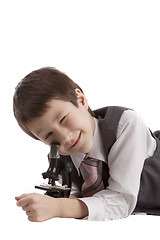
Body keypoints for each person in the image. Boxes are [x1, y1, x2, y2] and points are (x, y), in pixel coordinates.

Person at [13, 67, 160, 222]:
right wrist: (55, 201)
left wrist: (59, 207)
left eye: (63, 119)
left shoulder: (125, 124)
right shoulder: (61, 156)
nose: (65, 137)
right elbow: (85, 195)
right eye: (49, 135)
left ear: (81, 100)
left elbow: (120, 201)